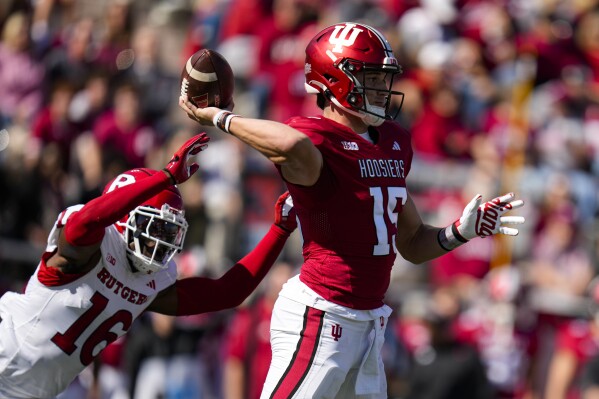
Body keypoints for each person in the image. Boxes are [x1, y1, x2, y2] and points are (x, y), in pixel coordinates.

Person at [180, 22, 525, 398]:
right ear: (333, 80)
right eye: (371, 77)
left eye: (383, 77)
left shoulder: (392, 142)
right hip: (321, 315)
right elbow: (291, 144)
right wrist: (221, 118)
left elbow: (410, 242)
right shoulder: (316, 139)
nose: (381, 88)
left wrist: (460, 231)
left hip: (368, 323)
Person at [0, 132, 298, 398]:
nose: (159, 242)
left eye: (167, 233)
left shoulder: (151, 280)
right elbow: (84, 223)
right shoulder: (92, 245)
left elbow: (227, 293)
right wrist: (164, 178)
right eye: (153, 228)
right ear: (123, 216)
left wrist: (279, 231)